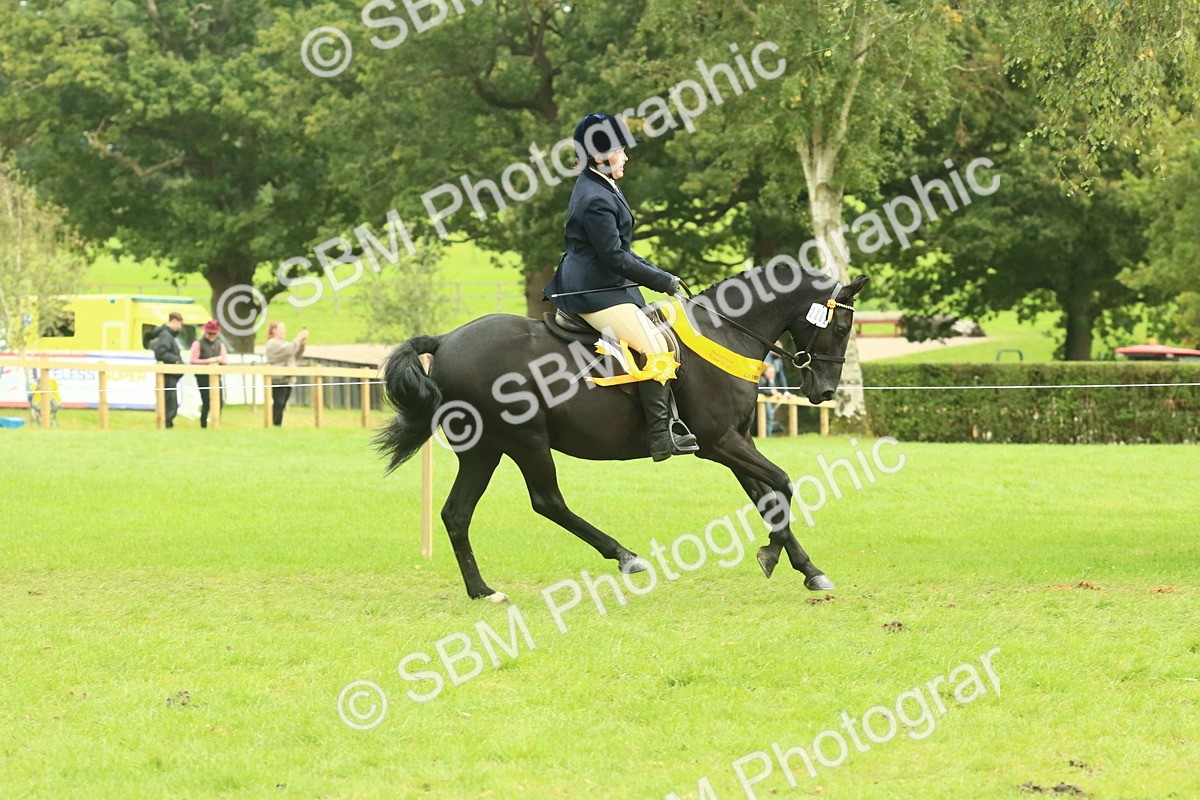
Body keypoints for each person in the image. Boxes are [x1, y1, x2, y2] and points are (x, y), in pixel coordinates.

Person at [543, 113, 698, 461]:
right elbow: (614, 257)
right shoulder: (595, 198)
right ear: (600, 156)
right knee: (655, 348)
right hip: (592, 291)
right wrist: (662, 281)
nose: (626, 157)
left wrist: (664, 276)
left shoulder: (601, 184)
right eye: (620, 150)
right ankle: (661, 435)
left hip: (608, 284)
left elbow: (622, 250)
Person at [264, 321, 307, 427]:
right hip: (278, 379)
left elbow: (296, 355)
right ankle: (274, 424)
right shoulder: (272, 343)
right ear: (274, 330)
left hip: (288, 379)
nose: (284, 331)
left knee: (282, 404)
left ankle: (277, 425)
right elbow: (289, 350)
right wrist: (298, 338)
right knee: (278, 403)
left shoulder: (285, 343)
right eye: (281, 329)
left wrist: (301, 343)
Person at [148, 312, 184, 428]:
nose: (180, 327)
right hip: (168, 373)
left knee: (169, 400)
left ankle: (166, 423)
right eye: (180, 324)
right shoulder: (166, 336)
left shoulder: (166, 335)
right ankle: (166, 423)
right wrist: (175, 360)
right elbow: (160, 353)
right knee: (170, 401)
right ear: (175, 321)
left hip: (169, 373)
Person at [190, 319, 228, 429]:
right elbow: (193, 360)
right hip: (202, 377)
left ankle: (216, 423)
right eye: (210, 333)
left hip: (216, 376)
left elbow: (226, 360)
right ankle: (203, 424)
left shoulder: (219, 345)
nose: (212, 336)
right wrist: (209, 361)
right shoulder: (198, 344)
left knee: (219, 401)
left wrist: (219, 360)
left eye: (214, 334)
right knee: (206, 401)